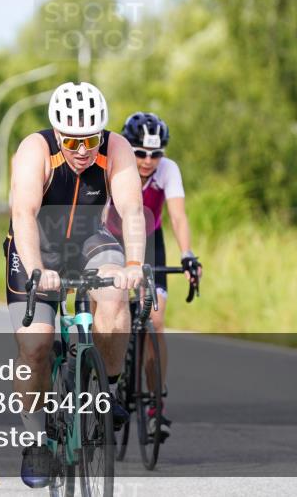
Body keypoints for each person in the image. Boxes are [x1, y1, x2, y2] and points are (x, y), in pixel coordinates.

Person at [6, 81, 146, 488]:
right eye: (72, 141)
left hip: (90, 239)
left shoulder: (115, 148)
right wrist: (36, 269)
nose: (83, 151)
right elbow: (23, 213)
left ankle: (108, 392)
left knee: (116, 295)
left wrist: (134, 263)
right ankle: (35, 440)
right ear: (57, 133)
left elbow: (132, 210)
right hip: (38, 247)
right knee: (36, 345)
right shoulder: (35, 149)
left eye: (90, 140)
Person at [105, 112, 203, 442]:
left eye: (156, 153)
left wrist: (187, 254)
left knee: (155, 319)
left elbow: (178, 216)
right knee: (106, 308)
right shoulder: (113, 164)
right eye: (140, 153)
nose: (148, 161)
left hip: (150, 241)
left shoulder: (168, 171)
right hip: (112, 238)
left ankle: (154, 402)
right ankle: (106, 381)